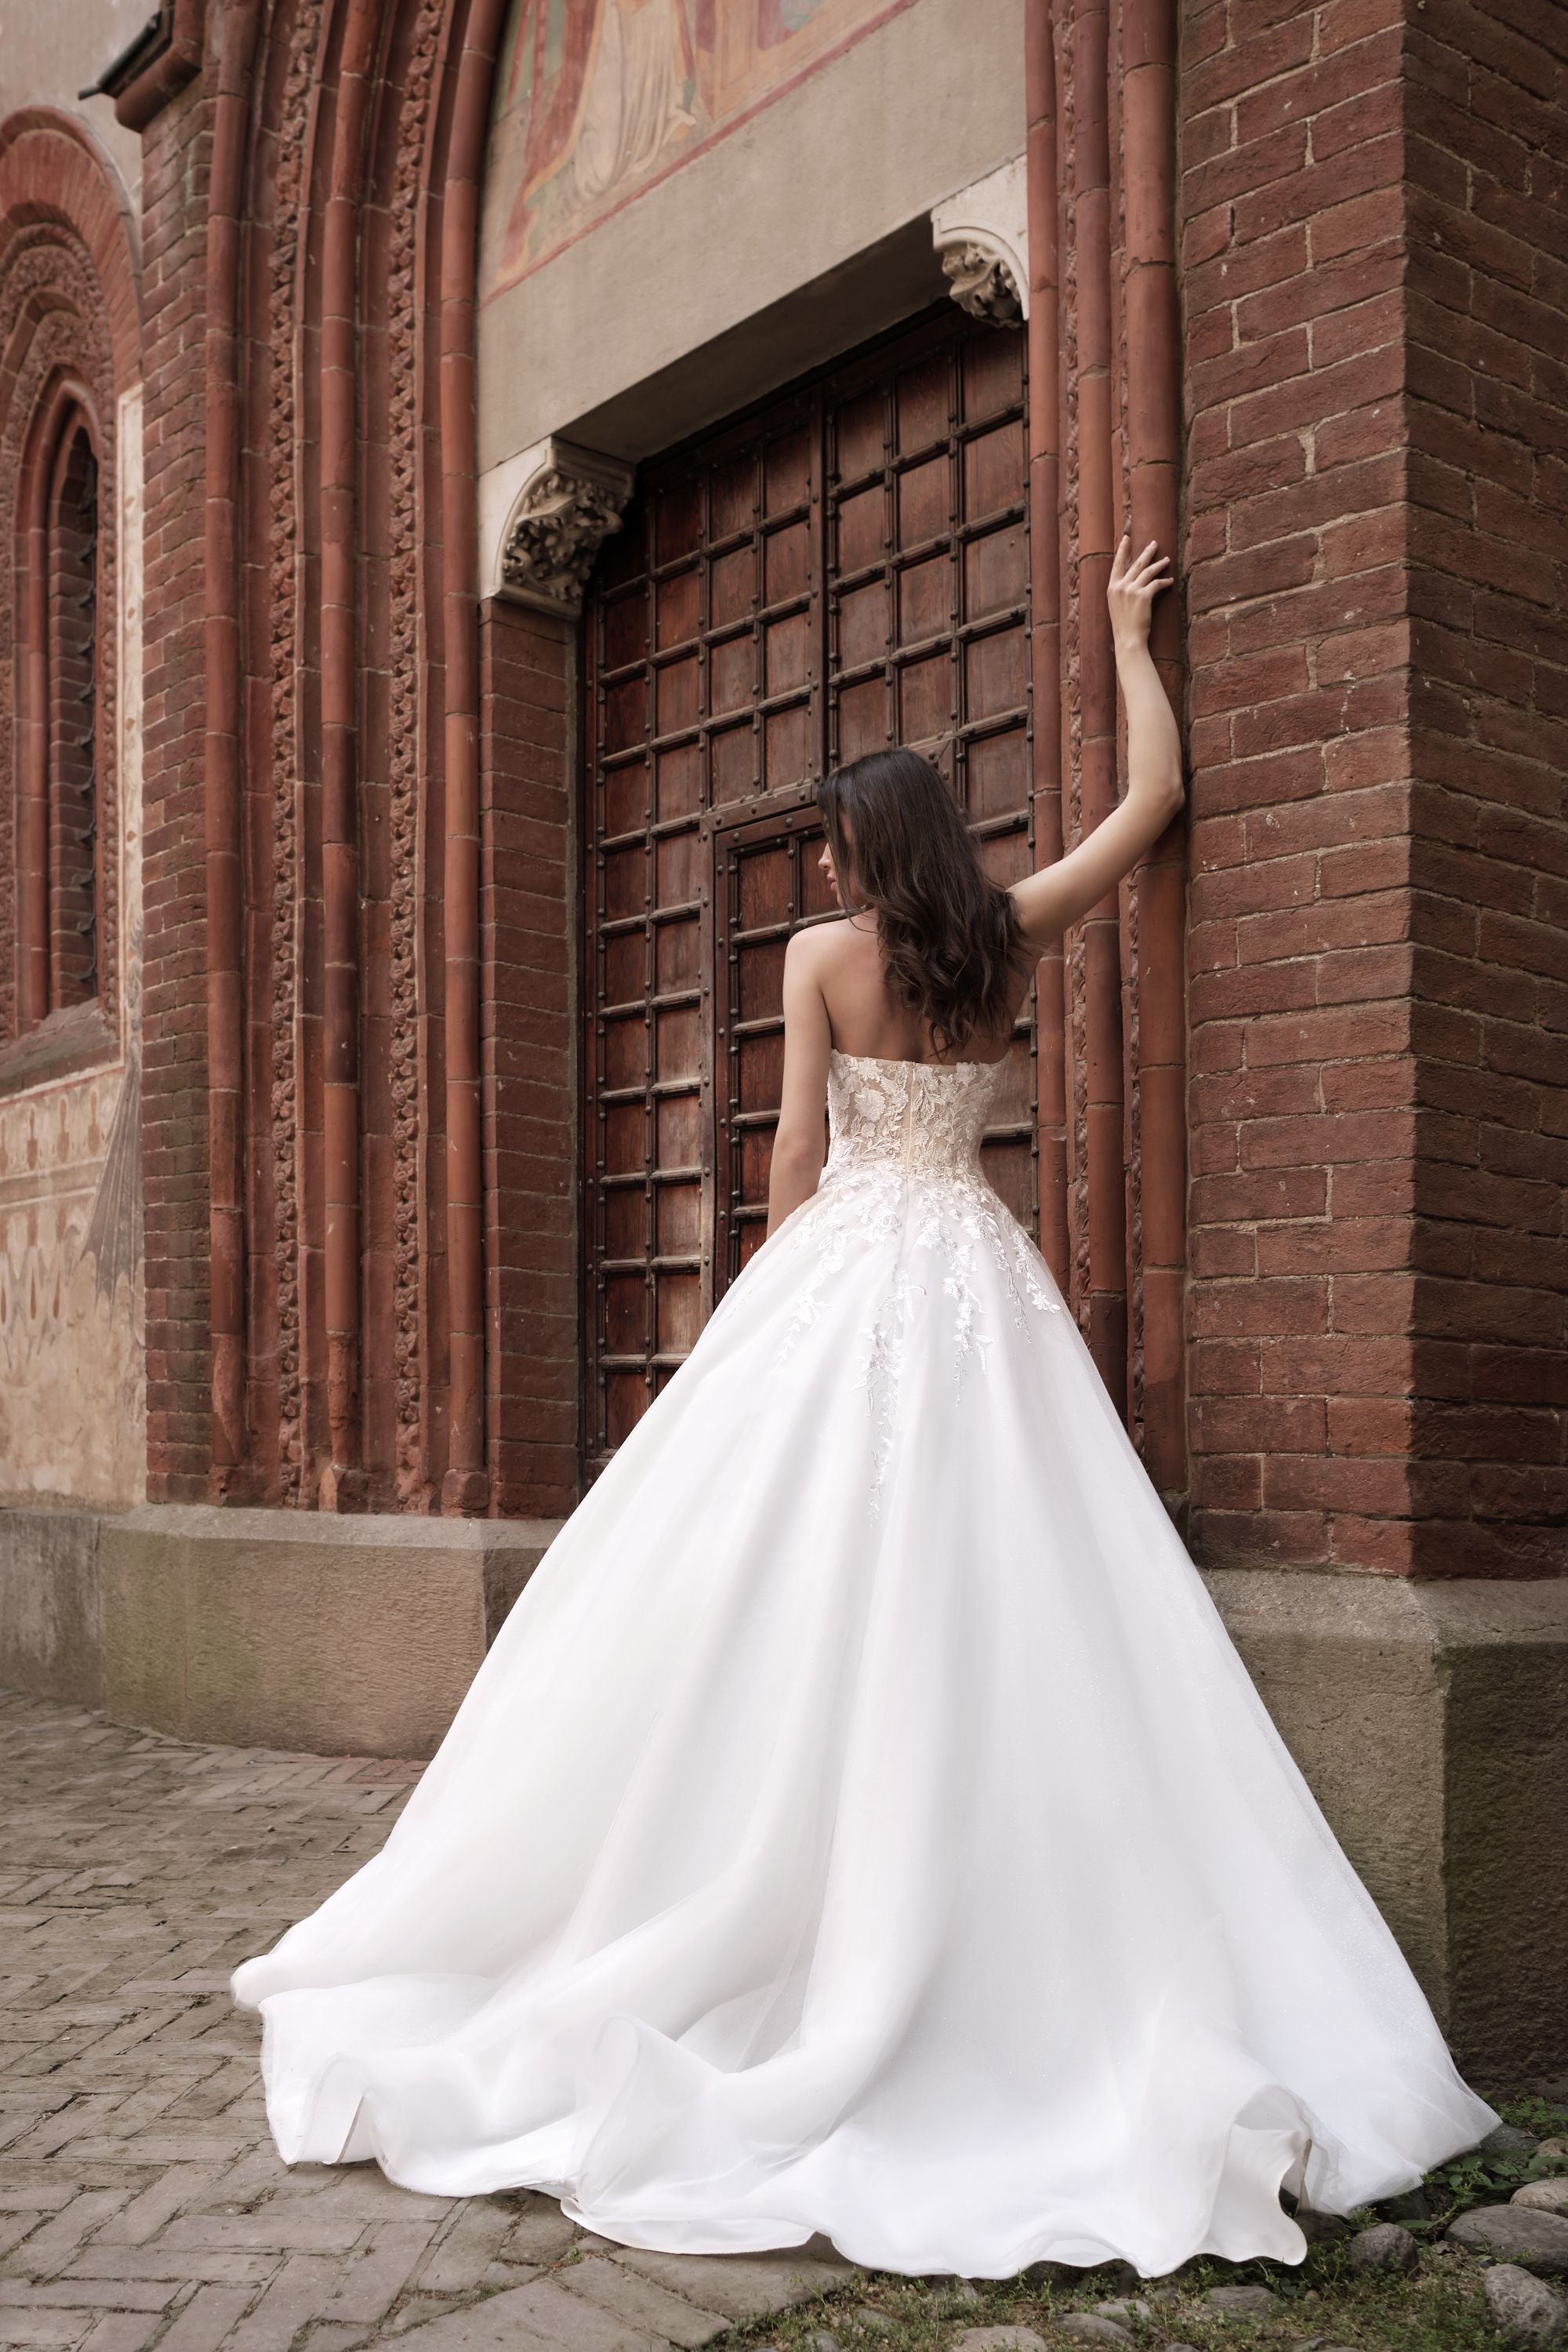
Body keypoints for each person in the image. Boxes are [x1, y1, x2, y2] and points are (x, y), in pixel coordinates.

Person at [231, 536, 1496, 2280]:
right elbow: (1154, 804)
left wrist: (758, 1298)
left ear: (856, 851)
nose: (827, 861)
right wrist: (1129, 639)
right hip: (977, 1270)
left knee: (785, 1559)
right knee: (1012, 1565)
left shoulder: (822, 954)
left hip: (848, 1271)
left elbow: (793, 1150)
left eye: (836, 839)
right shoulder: (999, 935)